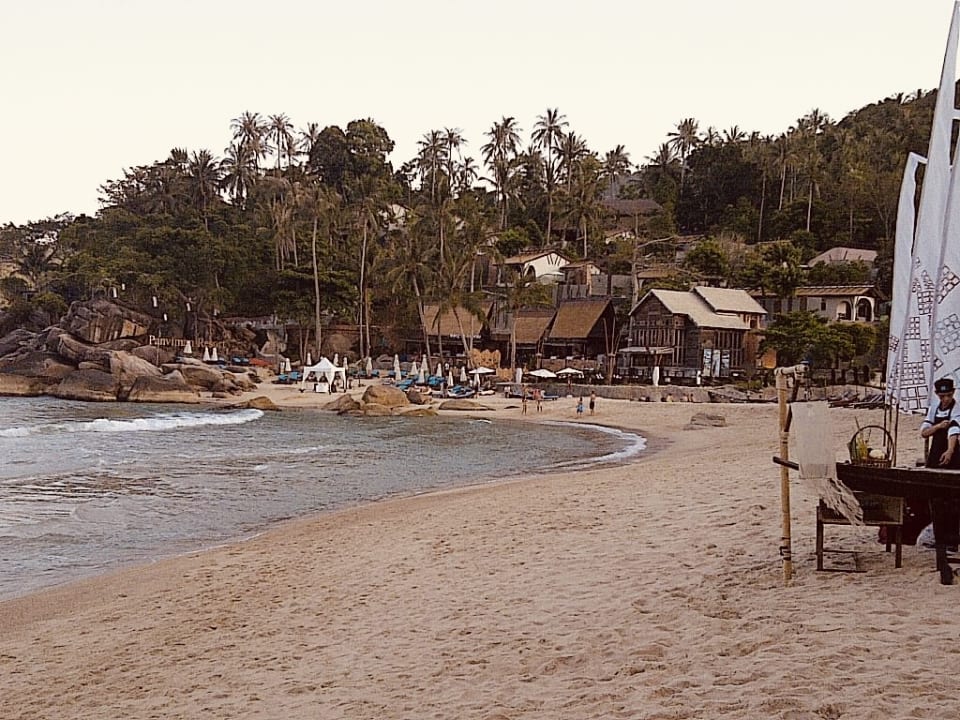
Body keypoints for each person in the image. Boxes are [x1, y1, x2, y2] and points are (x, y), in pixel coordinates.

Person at [921, 376, 960, 582]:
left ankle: (952, 540)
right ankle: (939, 539)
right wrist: (938, 427)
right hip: (935, 457)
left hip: (952, 458)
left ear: (953, 393)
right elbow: (924, 432)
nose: (945, 399)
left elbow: (955, 430)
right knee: (936, 499)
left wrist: (950, 450)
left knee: (953, 500)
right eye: (942, 395)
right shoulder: (934, 409)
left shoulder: (957, 408)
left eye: (948, 395)